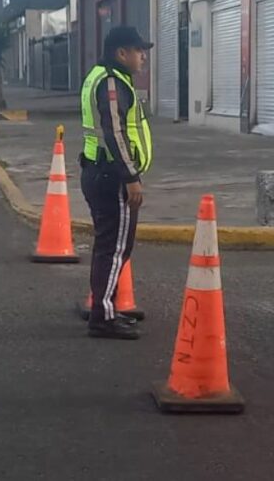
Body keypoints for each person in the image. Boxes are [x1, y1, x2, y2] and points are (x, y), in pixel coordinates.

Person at [79, 25, 154, 340]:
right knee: (114, 248)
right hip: (112, 176)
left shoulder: (105, 77)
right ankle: (104, 317)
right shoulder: (111, 83)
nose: (143, 58)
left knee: (109, 246)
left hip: (100, 172)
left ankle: (106, 306)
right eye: (138, 51)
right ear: (121, 53)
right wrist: (131, 177)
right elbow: (114, 132)